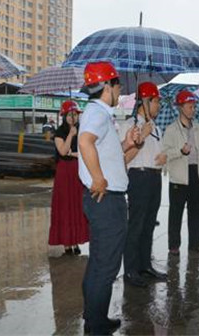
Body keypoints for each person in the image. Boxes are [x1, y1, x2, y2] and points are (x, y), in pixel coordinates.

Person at [78, 61, 138, 335]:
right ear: (107, 87)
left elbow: (105, 150)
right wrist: (98, 177)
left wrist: (128, 143)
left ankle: (93, 316)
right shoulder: (98, 113)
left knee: (99, 262)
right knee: (106, 266)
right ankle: (96, 325)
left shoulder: (99, 113)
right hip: (107, 200)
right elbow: (85, 142)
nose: (120, 91)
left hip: (104, 200)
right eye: (117, 85)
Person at [121, 81, 168, 288]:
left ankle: (145, 265)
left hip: (154, 177)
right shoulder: (129, 125)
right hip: (138, 177)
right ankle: (130, 270)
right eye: (156, 101)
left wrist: (164, 157)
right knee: (136, 225)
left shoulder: (155, 126)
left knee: (149, 224)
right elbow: (124, 158)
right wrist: (142, 137)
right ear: (145, 102)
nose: (159, 106)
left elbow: (157, 152)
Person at [163, 90, 199, 256]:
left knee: (196, 210)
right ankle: (174, 245)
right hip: (179, 175)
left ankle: (196, 243)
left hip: (197, 173)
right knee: (176, 212)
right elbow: (164, 153)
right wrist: (180, 151)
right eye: (190, 106)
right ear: (180, 107)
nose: (193, 109)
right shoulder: (171, 130)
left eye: (194, 106)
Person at [48, 101, 89, 255]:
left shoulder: (82, 131)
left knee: (77, 205)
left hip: (78, 171)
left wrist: (74, 153)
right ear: (64, 116)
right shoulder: (59, 133)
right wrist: (71, 135)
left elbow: (86, 151)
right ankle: (67, 243)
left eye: (75, 115)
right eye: (70, 115)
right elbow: (63, 151)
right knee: (65, 206)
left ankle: (76, 240)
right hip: (64, 172)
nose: (73, 118)